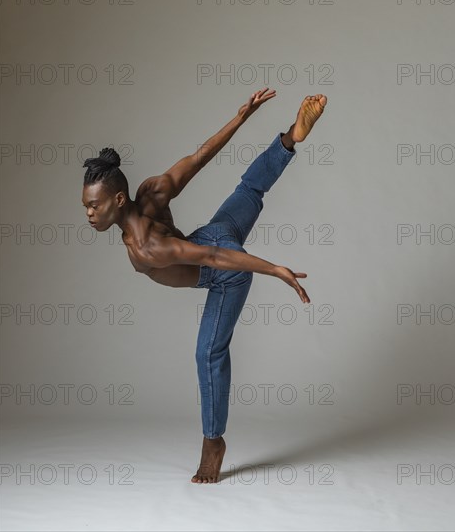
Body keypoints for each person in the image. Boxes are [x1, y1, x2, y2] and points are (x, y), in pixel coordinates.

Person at [81, 89, 327, 483]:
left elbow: (213, 259)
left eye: (94, 206)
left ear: (118, 199)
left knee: (208, 354)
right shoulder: (150, 192)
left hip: (223, 270)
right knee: (249, 189)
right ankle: (288, 140)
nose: (89, 214)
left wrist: (273, 269)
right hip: (215, 233)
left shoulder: (146, 247)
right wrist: (241, 117)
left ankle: (213, 443)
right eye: (86, 207)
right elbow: (199, 159)